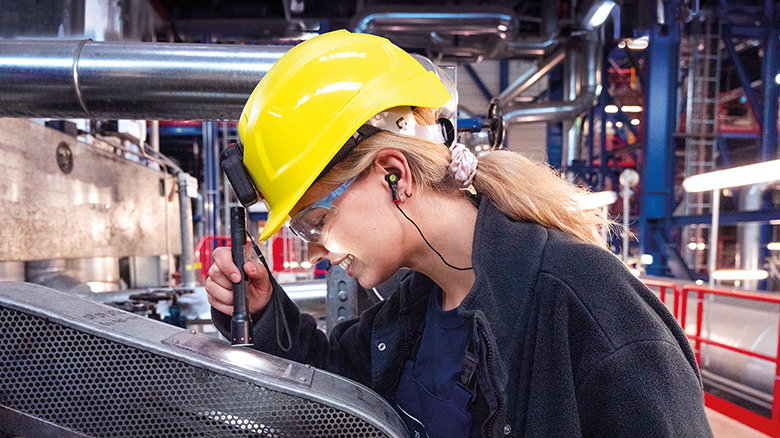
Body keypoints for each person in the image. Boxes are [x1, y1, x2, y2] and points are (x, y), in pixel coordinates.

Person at [205, 30, 712, 437]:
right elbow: (337, 385)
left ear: (394, 174)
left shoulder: (586, 306)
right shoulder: (414, 306)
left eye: (315, 221)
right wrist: (263, 313)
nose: (316, 248)